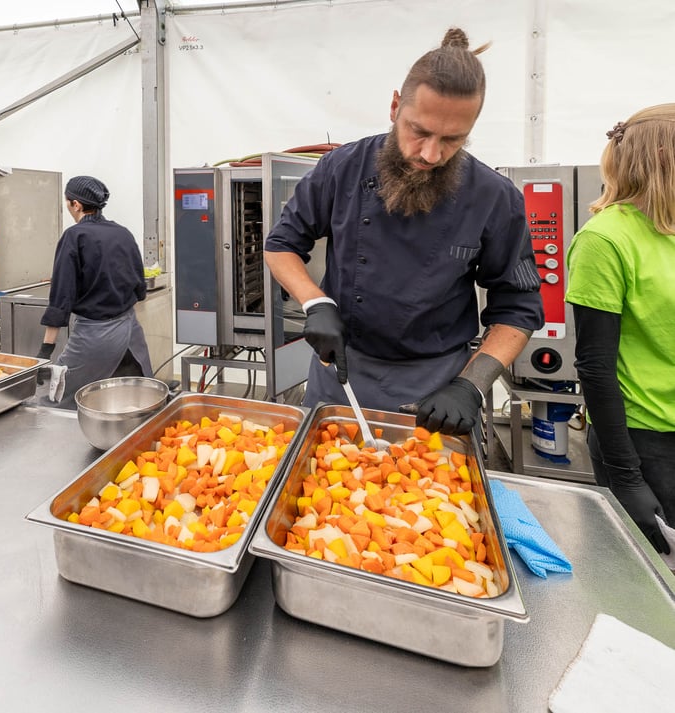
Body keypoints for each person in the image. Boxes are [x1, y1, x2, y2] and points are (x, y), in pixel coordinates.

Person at [264, 27, 543, 435]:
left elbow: (519, 309)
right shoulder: (342, 168)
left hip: (438, 383)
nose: (431, 154)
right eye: (420, 131)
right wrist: (314, 303)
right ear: (395, 106)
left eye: (453, 139)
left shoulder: (494, 197)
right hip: (340, 374)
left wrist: (472, 385)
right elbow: (281, 245)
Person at [565, 104, 675, 555]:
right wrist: (627, 478)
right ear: (663, 158)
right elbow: (594, 367)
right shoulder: (605, 240)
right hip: (645, 442)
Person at [37, 175, 153, 408]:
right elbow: (139, 286)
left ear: (76, 205)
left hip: (96, 335)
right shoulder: (122, 232)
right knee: (136, 396)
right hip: (130, 329)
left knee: (57, 399)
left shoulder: (75, 236)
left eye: (67, 203)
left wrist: (45, 351)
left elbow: (61, 297)